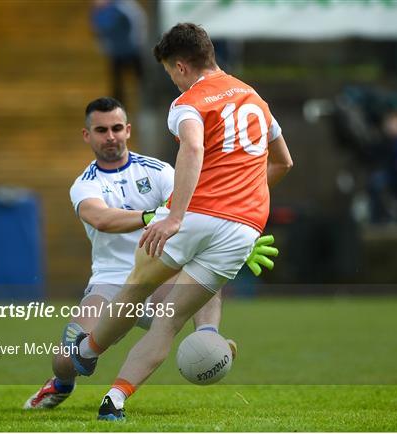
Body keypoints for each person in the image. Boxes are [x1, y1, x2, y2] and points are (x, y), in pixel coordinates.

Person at [70, 24, 293, 420]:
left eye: (171, 73)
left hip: (195, 215)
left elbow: (192, 146)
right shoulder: (255, 98)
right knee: (169, 324)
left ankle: (87, 352)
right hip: (243, 229)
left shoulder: (189, 102)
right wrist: (241, 201)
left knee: (132, 295)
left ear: (180, 66)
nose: (173, 81)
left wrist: (174, 217)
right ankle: (115, 399)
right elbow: (283, 162)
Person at [23, 97, 277, 409]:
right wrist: (153, 215)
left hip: (159, 275)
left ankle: (208, 337)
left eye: (117, 128)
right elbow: (102, 219)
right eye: (101, 130)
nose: (111, 136)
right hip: (111, 283)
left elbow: (193, 209)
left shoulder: (158, 171)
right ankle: (61, 384)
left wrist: (236, 240)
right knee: (66, 357)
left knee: (203, 274)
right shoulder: (84, 184)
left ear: (128, 130)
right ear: (87, 136)